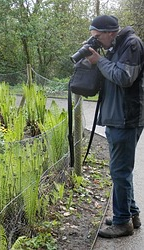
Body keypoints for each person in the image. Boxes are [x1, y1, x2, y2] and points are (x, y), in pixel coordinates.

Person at [86, 15, 144, 238]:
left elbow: (123, 77)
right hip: (116, 117)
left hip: (126, 118)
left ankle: (122, 223)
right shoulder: (115, 46)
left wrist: (99, 61)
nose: (97, 41)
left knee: (119, 171)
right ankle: (131, 214)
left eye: (98, 37)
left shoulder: (132, 44)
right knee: (121, 171)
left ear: (110, 32)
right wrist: (96, 59)